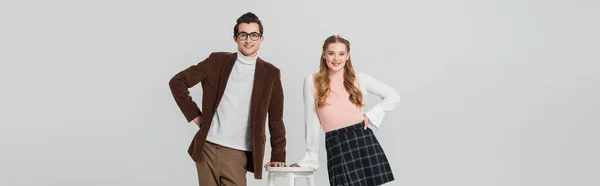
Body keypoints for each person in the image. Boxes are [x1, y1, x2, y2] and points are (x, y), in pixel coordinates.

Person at [169, 12, 287, 186]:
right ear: (235, 38)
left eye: (254, 35)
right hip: (207, 148)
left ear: (261, 39)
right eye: (243, 35)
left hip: (237, 153)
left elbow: (276, 119)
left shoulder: (271, 73)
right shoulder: (217, 61)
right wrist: (196, 116)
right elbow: (177, 82)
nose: (248, 40)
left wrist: (278, 156)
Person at [290, 35, 401, 186]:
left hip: (361, 139)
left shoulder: (359, 78)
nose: (336, 58)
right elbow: (311, 119)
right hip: (335, 142)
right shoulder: (312, 80)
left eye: (341, 54)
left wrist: (371, 115)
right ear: (323, 54)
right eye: (331, 53)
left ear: (348, 56)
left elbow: (392, 95)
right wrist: (311, 156)